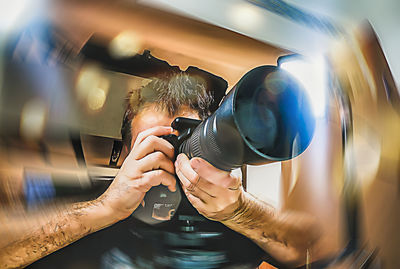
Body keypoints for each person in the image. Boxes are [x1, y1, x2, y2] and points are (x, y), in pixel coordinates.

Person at [0, 73, 319, 269]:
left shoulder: (228, 208)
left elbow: (310, 247)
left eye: (185, 139)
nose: (173, 155)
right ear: (125, 154)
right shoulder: (87, 199)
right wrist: (102, 209)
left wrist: (239, 212)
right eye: (158, 144)